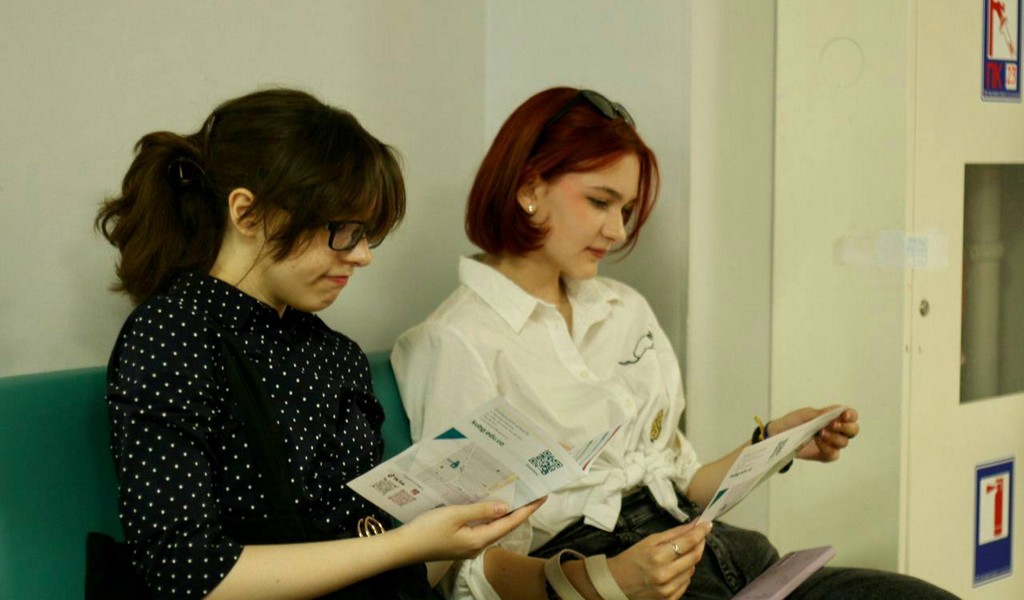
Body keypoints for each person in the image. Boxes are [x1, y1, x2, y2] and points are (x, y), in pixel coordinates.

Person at [391, 87, 957, 599]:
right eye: (600, 202)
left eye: (626, 210)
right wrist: (608, 580)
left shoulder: (623, 308)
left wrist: (773, 444)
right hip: (603, 574)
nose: (618, 231)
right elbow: (459, 566)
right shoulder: (455, 341)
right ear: (528, 187)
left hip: (727, 555)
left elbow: (683, 478)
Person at [95, 88, 540, 600]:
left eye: (368, 234)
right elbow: (184, 569)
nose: (363, 256)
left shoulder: (335, 354)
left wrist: (456, 530)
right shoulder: (173, 335)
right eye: (342, 231)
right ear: (248, 213)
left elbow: (376, 558)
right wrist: (406, 545)